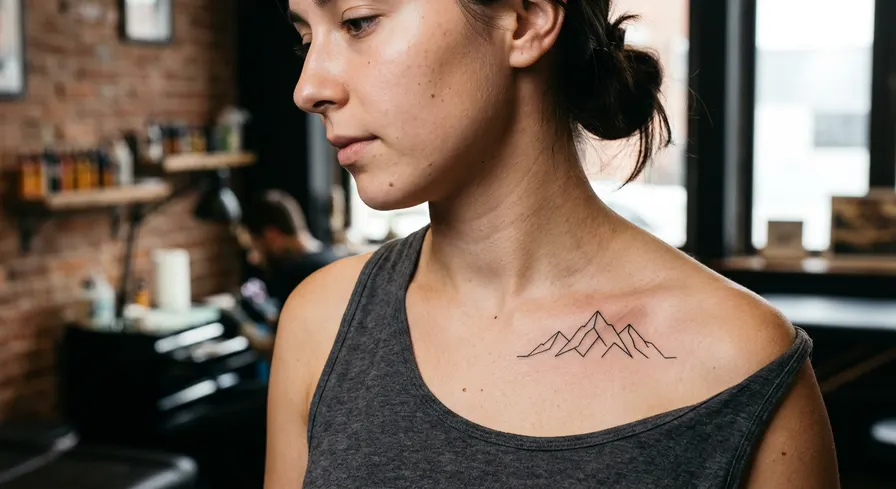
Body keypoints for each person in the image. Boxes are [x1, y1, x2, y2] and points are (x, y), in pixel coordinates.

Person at [266, 0, 839, 488]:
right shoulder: (324, 322)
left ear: (525, 21)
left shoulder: (738, 358)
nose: (308, 88)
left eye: (359, 22)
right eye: (304, 38)